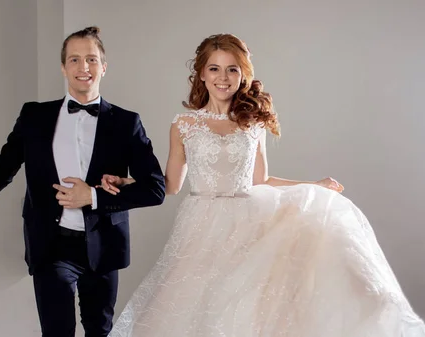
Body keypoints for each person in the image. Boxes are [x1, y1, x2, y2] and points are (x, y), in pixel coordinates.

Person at [101, 33, 425, 336]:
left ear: (243, 74)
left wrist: (314, 185)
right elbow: (171, 184)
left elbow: (261, 180)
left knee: (248, 305)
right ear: (201, 74)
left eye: (232, 69)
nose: (223, 77)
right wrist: (127, 182)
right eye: (214, 69)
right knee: (195, 305)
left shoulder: (252, 123)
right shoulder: (184, 124)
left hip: (248, 220)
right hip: (201, 224)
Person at [0, 26, 166, 337]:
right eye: (75, 60)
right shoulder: (34, 116)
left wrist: (92, 198)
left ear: (104, 67)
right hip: (52, 243)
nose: (84, 68)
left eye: (92, 60)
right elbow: (5, 165)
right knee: (57, 331)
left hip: (104, 245)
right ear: (63, 67)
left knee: (99, 330)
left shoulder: (125, 122)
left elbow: (155, 188)